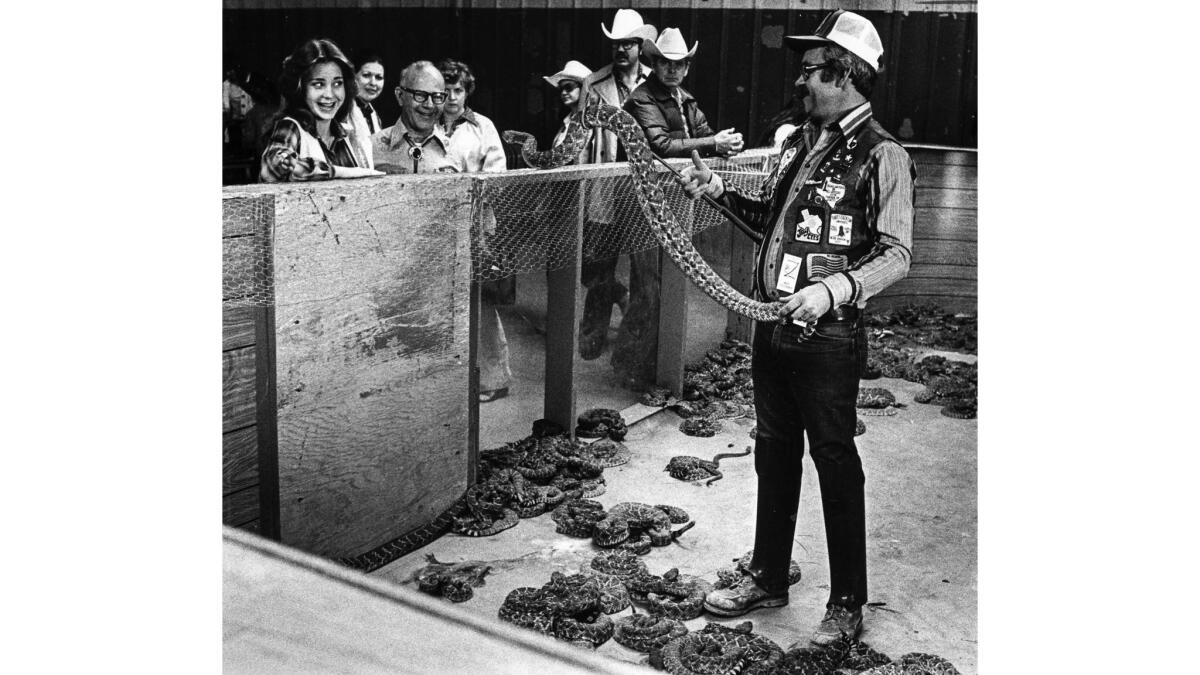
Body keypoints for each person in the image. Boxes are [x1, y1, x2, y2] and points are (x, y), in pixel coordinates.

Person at [680, 10, 915, 647]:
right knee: (773, 452)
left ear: (846, 75)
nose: (802, 82)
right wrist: (715, 189)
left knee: (835, 460)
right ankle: (767, 573)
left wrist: (832, 289)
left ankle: (847, 600)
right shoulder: (802, 145)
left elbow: (897, 252)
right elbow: (771, 224)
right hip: (774, 328)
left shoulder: (883, 154)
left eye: (812, 71)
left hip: (829, 337)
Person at [575, 8, 657, 367]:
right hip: (606, 187)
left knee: (643, 273)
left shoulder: (656, 82)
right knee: (599, 267)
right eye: (616, 43)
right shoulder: (593, 85)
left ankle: (631, 345)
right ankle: (592, 332)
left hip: (642, 189)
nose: (621, 49)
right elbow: (579, 135)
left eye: (628, 43)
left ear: (640, 46)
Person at [436, 59, 512, 403]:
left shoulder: (482, 127)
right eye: (446, 90)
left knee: (480, 301)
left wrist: (465, 193)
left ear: (468, 91)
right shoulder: (425, 124)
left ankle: (493, 379)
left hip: (477, 225)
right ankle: (447, 380)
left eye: (458, 90)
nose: (452, 97)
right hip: (438, 226)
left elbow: (497, 175)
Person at [260, 38, 373, 183]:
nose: (329, 94)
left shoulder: (342, 134)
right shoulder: (290, 126)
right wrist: (337, 171)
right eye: (318, 84)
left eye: (337, 83)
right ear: (300, 88)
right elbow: (271, 169)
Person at [624, 27, 743, 159]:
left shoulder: (686, 99)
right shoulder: (641, 98)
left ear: (686, 69)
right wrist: (714, 143)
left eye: (678, 64)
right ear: (654, 65)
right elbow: (662, 146)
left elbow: (706, 136)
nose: (672, 70)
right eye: (665, 62)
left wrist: (728, 144)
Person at [373, 61, 465, 174]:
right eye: (420, 95)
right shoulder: (371, 147)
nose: (429, 105)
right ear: (400, 96)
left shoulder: (456, 151)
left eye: (437, 97)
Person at [543, 60, 593, 163]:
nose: (563, 93)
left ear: (583, 88)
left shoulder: (591, 121)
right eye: (561, 89)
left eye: (568, 87)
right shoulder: (565, 123)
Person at [352, 50, 386, 134]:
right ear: (353, 77)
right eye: (366, 75)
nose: (373, 83)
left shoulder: (374, 116)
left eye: (379, 77)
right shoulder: (341, 113)